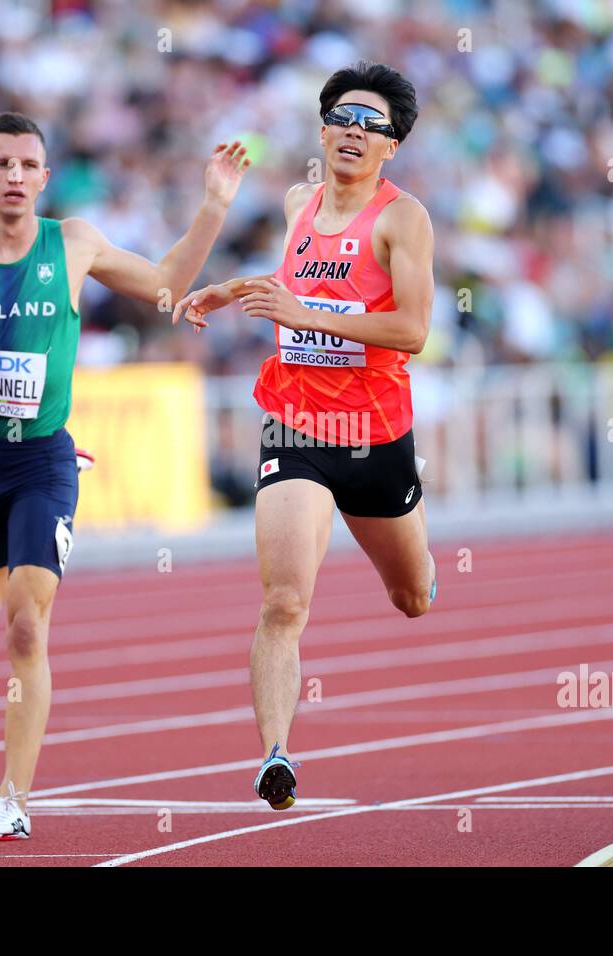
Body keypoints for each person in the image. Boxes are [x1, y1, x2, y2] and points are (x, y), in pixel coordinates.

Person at [0, 111, 249, 840]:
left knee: (27, 628)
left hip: (43, 461)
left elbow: (161, 287)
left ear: (45, 177)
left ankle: (12, 799)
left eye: (29, 165)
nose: (16, 178)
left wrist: (212, 206)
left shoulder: (75, 244)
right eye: (1, 166)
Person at [172, 62, 435, 810]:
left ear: (393, 147)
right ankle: (276, 756)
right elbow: (295, 279)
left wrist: (306, 316)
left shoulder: (401, 218)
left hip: (375, 433)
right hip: (295, 424)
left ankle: (417, 554)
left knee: (412, 597)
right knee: (284, 603)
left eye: (373, 125)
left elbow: (412, 330)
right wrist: (236, 289)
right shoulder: (297, 201)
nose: (355, 132)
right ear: (321, 130)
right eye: (343, 118)